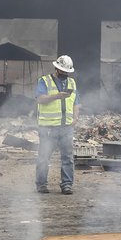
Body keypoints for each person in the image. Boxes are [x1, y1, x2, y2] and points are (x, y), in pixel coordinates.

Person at [35, 55, 78, 194]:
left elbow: (76, 102)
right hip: (48, 127)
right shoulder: (44, 81)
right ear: (56, 68)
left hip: (66, 127)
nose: (65, 74)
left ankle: (67, 184)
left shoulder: (71, 83)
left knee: (67, 157)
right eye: (62, 71)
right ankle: (41, 184)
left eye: (67, 72)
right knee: (44, 156)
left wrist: (76, 118)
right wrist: (57, 96)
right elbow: (40, 99)